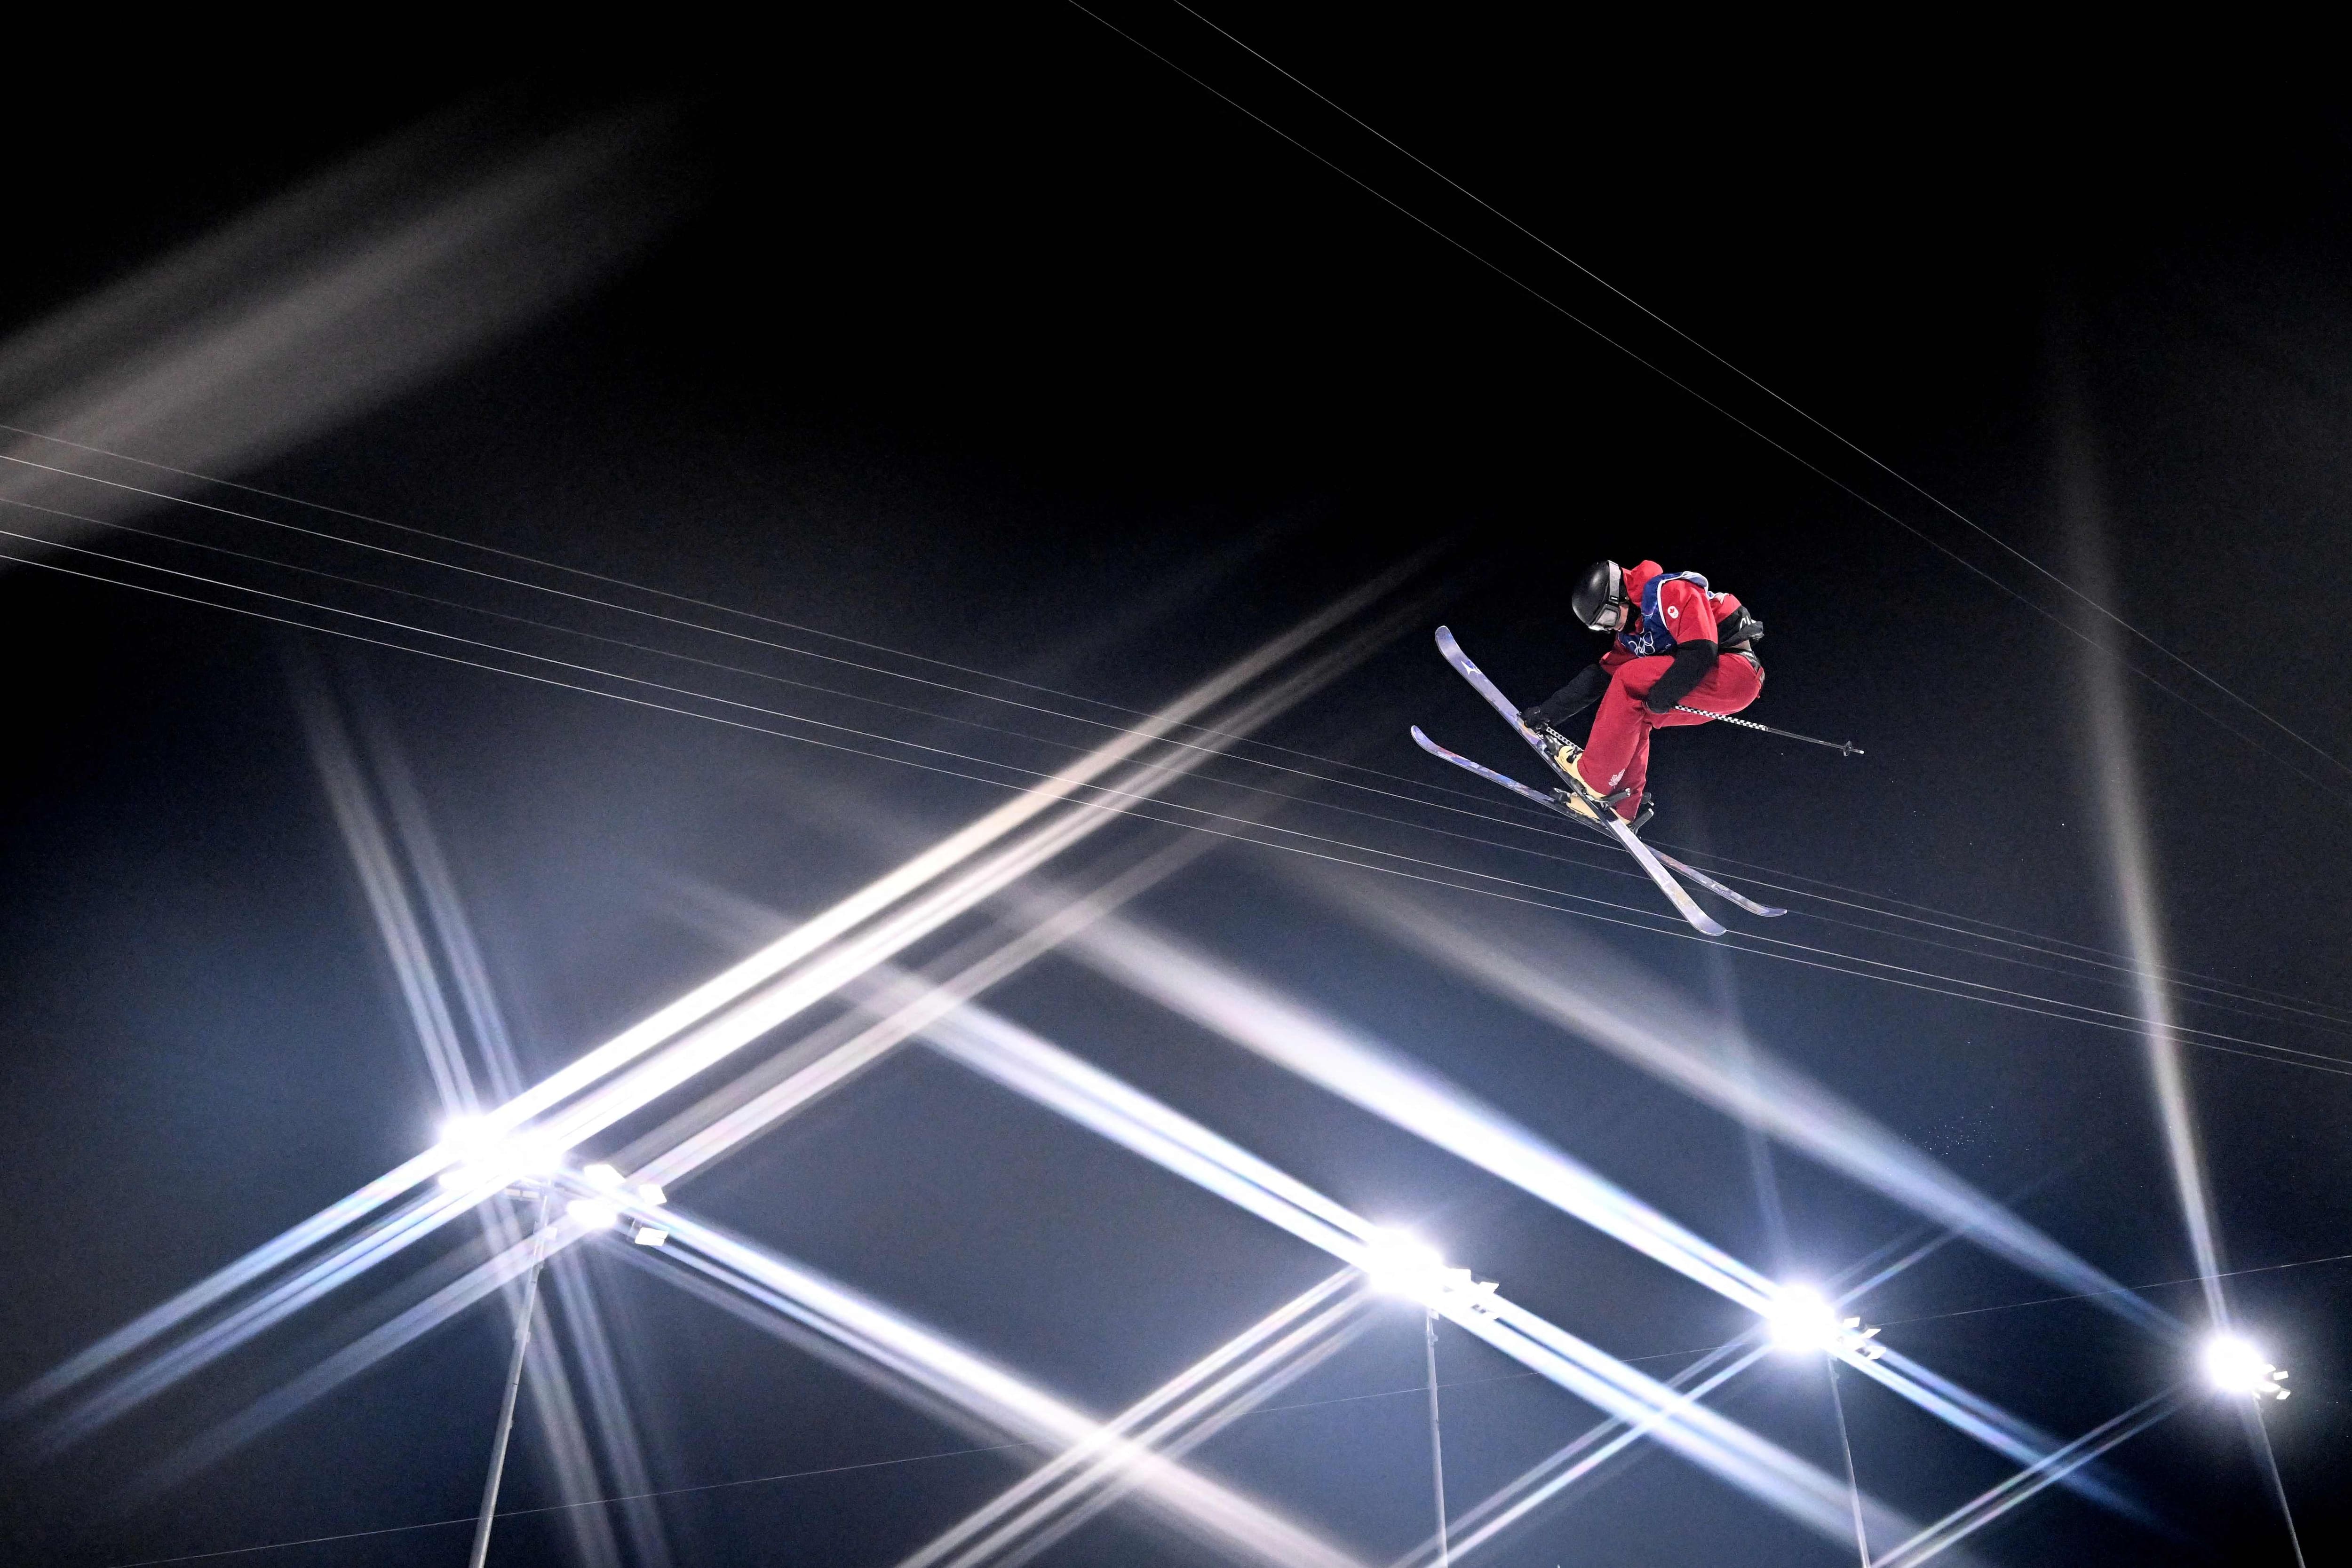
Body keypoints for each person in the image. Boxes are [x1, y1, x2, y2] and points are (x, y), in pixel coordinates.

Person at [1519, 558, 1763, 831]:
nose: (1611, 628)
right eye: (1601, 627)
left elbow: (1702, 649)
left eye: (1608, 618)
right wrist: (1548, 712)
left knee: (1632, 680)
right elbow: (1600, 677)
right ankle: (1624, 805)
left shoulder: (1669, 590)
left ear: (1622, 596)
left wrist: (1666, 692)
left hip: (1733, 671)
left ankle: (1596, 778)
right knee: (1638, 711)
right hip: (1710, 680)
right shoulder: (1632, 637)